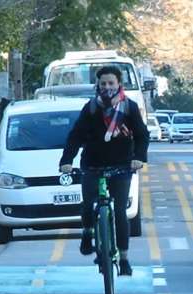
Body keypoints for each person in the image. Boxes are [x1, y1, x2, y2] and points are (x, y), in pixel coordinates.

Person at [59, 66, 149, 276]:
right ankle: (87, 232)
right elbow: (75, 136)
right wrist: (67, 160)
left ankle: (124, 258)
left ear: (119, 84)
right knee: (88, 203)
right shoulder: (91, 108)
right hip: (93, 163)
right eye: (103, 84)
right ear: (97, 86)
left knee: (120, 212)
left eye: (111, 83)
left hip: (122, 165)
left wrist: (138, 158)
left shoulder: (129, 107)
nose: (107, 87)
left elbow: (142, 135)